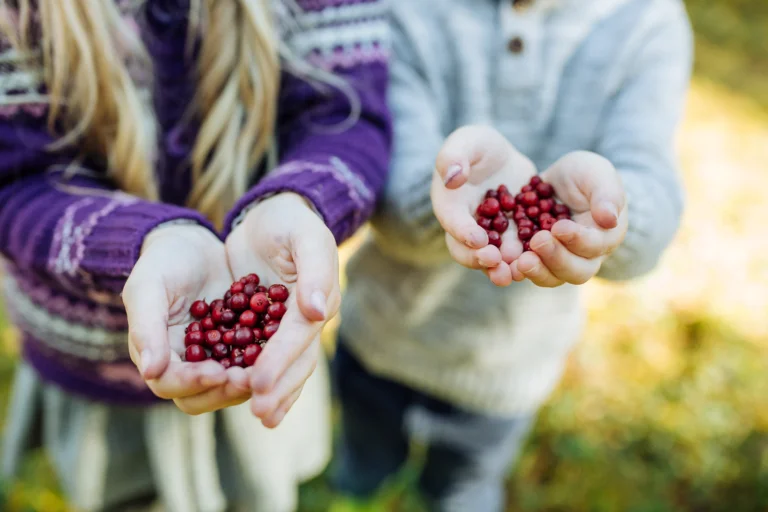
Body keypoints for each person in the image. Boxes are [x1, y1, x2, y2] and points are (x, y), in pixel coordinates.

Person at [0, 0, 390, 510]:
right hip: (91, 364)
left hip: (265, 362)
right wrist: (140, 240)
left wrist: (299, 198)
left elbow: (344, 113)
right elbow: (16, 181)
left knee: (259, 484)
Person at [335, 0, 691, 510]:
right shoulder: (406, 10)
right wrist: (439, 197)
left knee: (463, 490)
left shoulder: (648, 21)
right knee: (362, 468)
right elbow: (384, 194)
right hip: (380, 336)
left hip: (508, 365)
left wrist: (614, 218)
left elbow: (651, 182)